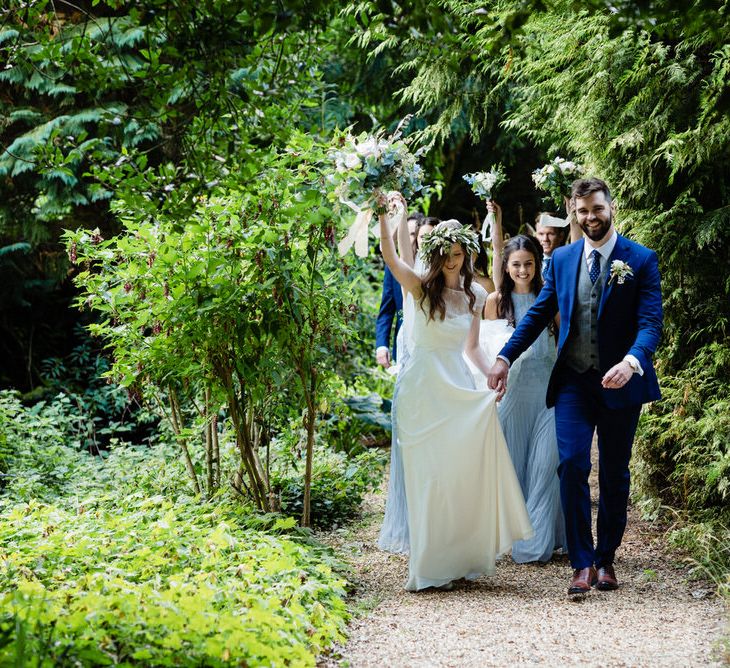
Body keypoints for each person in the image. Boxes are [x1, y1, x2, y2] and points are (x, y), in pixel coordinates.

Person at [487, 178, 663, 595]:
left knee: (616, 474)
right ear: (572, 211)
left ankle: (606, 560)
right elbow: (536, 315)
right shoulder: (562, 259)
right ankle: (582, 562)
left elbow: (650, 323)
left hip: (621, 382)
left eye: (597, 209)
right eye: (582, 211)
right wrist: (504, 356)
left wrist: (632, 361)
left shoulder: (640, 259)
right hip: (573, 381)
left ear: (611, 207)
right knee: (570, 464)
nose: (590, 218)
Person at [378, 201, 533, 592]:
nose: (451, 259)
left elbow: (473, 349)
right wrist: (386, 216)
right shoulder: (418, 288)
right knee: (427, 478)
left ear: (465, 255)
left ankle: (459, 557)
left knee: (456, 478)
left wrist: (495, 376)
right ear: (437, 254)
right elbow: (392, 256)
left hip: (458, 386)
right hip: (422, 391)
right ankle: (430, 564)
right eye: (445, 253)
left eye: (458, 253)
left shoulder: (475, 295)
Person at [484, 235, 566, 563]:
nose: (523, 270)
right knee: (514, 466)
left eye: (529, 264)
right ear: (506, 266)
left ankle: (536, 543)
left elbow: (563, 343)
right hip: (513, 395)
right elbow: (488, 350)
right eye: (516, 264)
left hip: (548, 393)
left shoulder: (550, 298)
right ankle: (514, 534)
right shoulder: (494, 302)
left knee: (545, 467)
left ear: (538, 264)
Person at [377, 211, 436, 554]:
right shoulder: (400, 268)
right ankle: (409, 520)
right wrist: (381, 342)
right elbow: (387, 307)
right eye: (413, 233)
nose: (417, 238)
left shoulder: (448, 272)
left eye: (423, 234)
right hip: (408, 346)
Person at [375, 211, 424, 369]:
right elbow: (387, 309)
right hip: (404, 342)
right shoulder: (394, 269)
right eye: (408, 234)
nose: (412, 240)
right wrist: (382, 345)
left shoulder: (437, 268)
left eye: (415, 234)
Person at [535, 213, 570, 278]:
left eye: (550, 234)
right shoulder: (531, 263)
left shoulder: (569, 262)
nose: (545, 239)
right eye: (541, 234)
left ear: (561, 236)